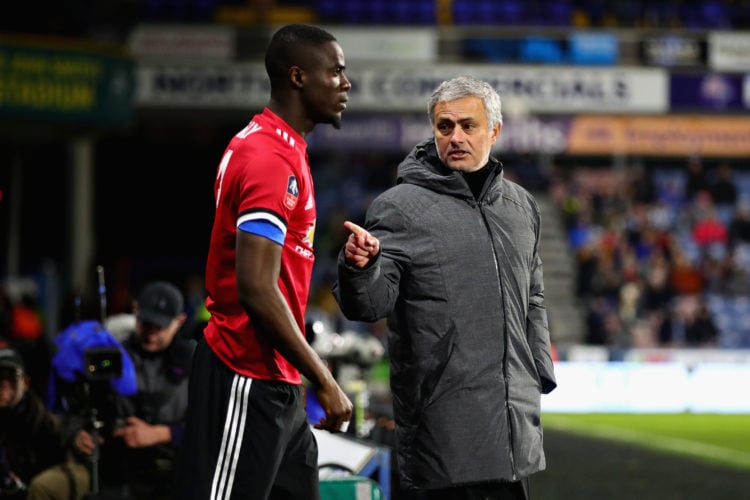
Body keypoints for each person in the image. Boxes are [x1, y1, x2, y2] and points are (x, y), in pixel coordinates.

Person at [333, 76, 558, 499]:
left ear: (495, 131)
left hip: (513, 432)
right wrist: (360, 267)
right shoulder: (399, 206)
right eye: (444, 126)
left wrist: (537, 373)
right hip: (443, 433)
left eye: (467, 126)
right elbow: (368, 306)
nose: (455, 137)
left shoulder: (521, 206)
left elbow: (535, 295)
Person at [174, 23, 353, 500]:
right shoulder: (268, 158)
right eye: (335, 72)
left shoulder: (282, 148)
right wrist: (324, 378)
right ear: (298, 77)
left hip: (276, 378)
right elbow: (256, 287)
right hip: (245, 374)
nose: (346, 83)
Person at [28, 280, 193, 500]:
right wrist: (77, 435)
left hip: (172, 470)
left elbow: (214, 426)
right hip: (115, 468)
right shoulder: (109, 357)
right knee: (45, 487)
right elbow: (73, 408)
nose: (151, 334)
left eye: (160, 327)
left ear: (179, 321)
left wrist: (162, 434)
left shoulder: (195, 362)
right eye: (146, 323)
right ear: (135, 310)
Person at [0, 343, 67, 499]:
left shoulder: (41, 421)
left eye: (12, 377)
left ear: (26, 383)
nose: (4, 384)